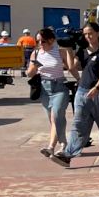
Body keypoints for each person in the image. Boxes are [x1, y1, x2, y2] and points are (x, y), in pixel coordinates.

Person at [50, 22, 99, 167]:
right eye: (85, 34)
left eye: (90, 33)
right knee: (79, 124)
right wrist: (69, 50)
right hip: (82, 92)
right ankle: (68, 155)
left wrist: (97, 87)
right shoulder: (82, 51)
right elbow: (71, 67)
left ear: (98, 33)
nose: (88, 36)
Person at [26, 27, 69, 157]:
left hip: (59, 86)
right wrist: (34, 67)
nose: (40, 44)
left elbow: (72, 66)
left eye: (43, 41)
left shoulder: (60, 52)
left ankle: (53, 147)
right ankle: (62, 144)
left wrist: (79, 79)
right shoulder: (36, 53)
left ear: (51, 40)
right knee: (53, 119)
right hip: (44, 88)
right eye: (38, 41)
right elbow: (29, 73)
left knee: (56, 115)